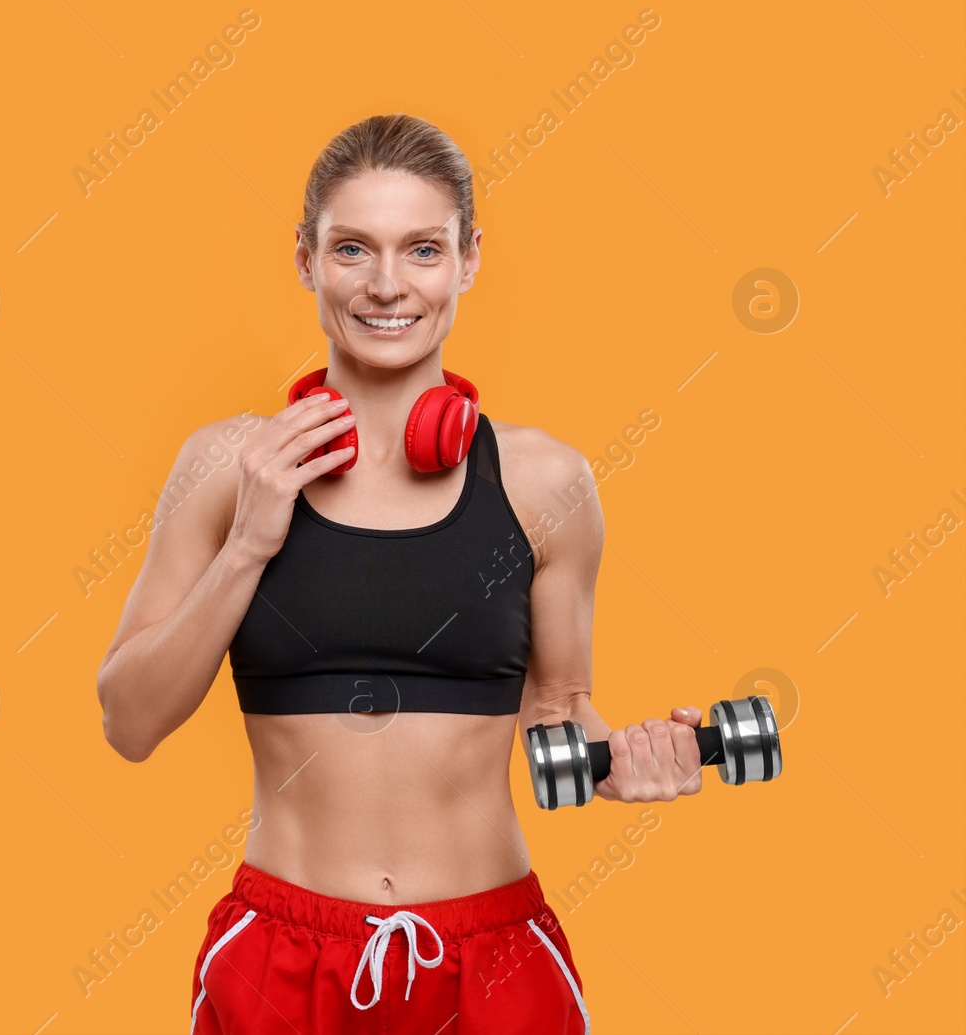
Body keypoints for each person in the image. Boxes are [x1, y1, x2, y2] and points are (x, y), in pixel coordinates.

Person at [94, 114, 705, 1033]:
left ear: (468, 260)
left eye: (423, 249)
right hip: (282, 954)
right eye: (352, 249)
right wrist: (250, 543)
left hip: (495, 958)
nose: (387, 285)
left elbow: (559, 718)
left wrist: (632, 765)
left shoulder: (547, 484)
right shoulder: (227, 465)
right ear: (305, 258)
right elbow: (129, 720)